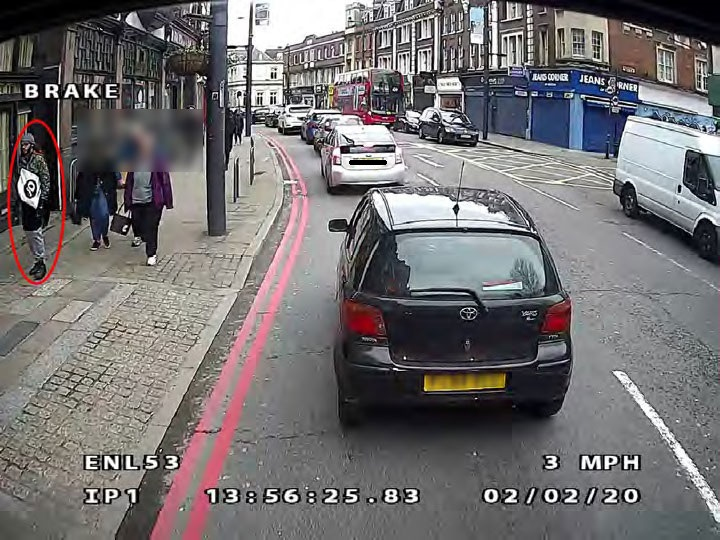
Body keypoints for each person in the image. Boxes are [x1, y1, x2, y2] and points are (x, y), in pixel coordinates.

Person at [124, 134, 173, 267]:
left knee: (151, 227)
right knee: (139, 225)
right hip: (136, 200)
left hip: (153, 201)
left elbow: (165, 181)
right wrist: (127, 199)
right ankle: (141, 237)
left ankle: (151, 254)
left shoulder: (158, 161)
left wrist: (168, 201)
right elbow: (129, 181)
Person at [11, 133, 51, 280]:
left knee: (36, 232)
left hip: (36, 200)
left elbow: (45, 179)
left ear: (32, 145)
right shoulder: (21, 160)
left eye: (26, 145)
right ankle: (36, 259)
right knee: (28, 231)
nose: (24, 147)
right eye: (22, 145)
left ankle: (41, 261)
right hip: (25, 200)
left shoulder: (38, 160)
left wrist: (43, 200)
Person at [74, 165, 121, 250]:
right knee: (94, 215)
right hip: (90, 187)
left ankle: (105, 234)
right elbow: (81, 175)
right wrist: (78, 193)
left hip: (104, 188)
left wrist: (117, 179)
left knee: (104, 214)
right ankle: (97, 239)